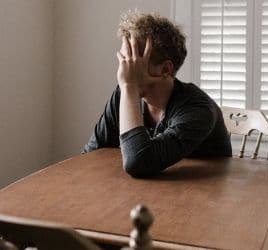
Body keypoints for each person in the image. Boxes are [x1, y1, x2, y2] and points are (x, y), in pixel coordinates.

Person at [83, 10, 232, 178]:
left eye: (133, 60)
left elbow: (138, 162)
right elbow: (90, 155)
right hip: (148, 192)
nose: (124, 69)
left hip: (205, 196)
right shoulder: (124, 94)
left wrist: (129, 86)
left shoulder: (199, 109)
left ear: (165, 69)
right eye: (124, 59)